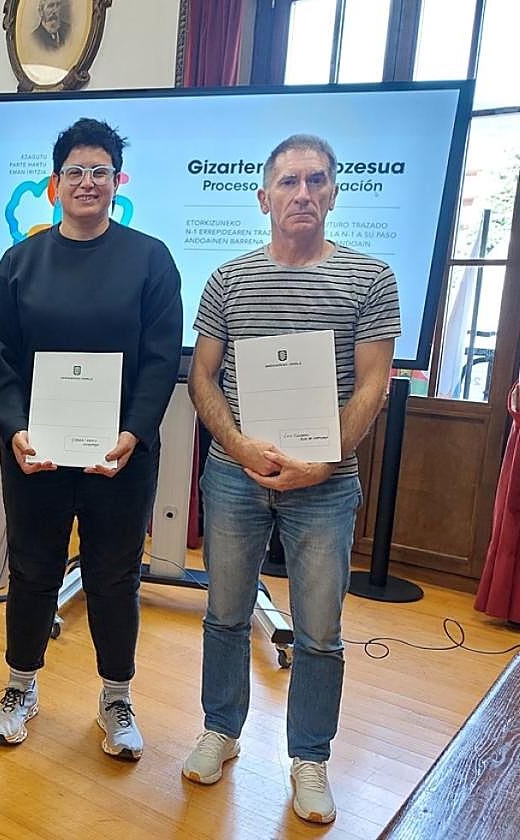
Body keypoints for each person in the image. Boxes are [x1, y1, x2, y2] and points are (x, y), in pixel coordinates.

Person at [183, 134, 399, 825]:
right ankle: (222, 728)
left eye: (315, 181)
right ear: (264, 197)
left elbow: (372, 387)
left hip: (326, 483)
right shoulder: (227, 279)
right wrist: (241, 446)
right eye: (288, 183)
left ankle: (309, 757)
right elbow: (202, 376)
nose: (301, 194)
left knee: (319, 632)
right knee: (223, 612)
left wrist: (326, 459)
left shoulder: (371, 278)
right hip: (234, 477)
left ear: (334, 192)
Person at [0, 117, 182, 759]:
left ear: (116, 182)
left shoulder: (150, 257)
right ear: (53, 185)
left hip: (119, 455)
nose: (87, 182)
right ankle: (20, 687)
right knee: (33, 570)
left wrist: (133, 431)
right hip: (35, 454)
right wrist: (13, 427)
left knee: (114, 576)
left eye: (100, 171)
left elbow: (159, 360)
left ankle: (116, 699)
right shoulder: (19, 262)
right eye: (75, 172)